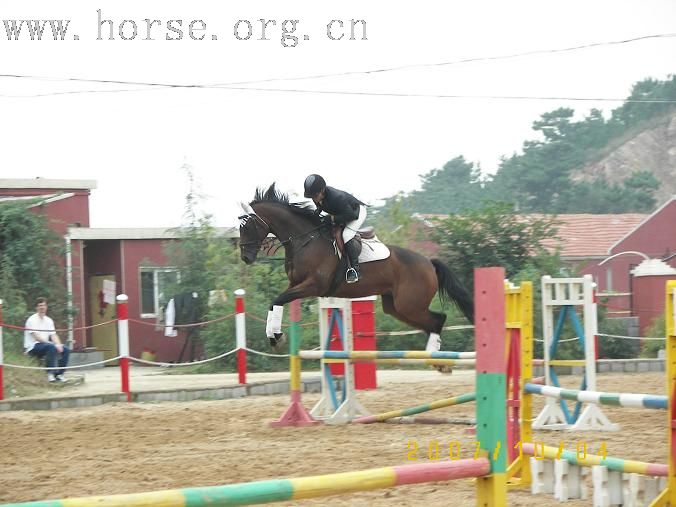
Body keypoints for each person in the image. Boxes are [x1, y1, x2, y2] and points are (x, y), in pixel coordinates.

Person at [304, 174, 367, 283]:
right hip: (342, 213)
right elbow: (320, 206)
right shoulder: (318, 196)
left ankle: (355, 270)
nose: (314, 199)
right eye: (312, 197)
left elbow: (352, 216)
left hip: (356, 212)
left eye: (315, 195)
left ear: (322, 190)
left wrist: (332, 218)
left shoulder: (336, 197)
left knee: (346, 235)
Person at [24, 297, 70, 382]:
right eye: (40, 306)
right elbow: (36, 337)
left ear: (46, 307)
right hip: (33, 346)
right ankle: (50, 374)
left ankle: (60, 374)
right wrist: (52, 344)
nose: (42, 307)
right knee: (51, 347)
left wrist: (58, 344)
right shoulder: (31, 320)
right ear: (36, 308)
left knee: (66, 349)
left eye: (44, 305)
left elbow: (53, 335)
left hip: (45, 345)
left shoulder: (49, 320)